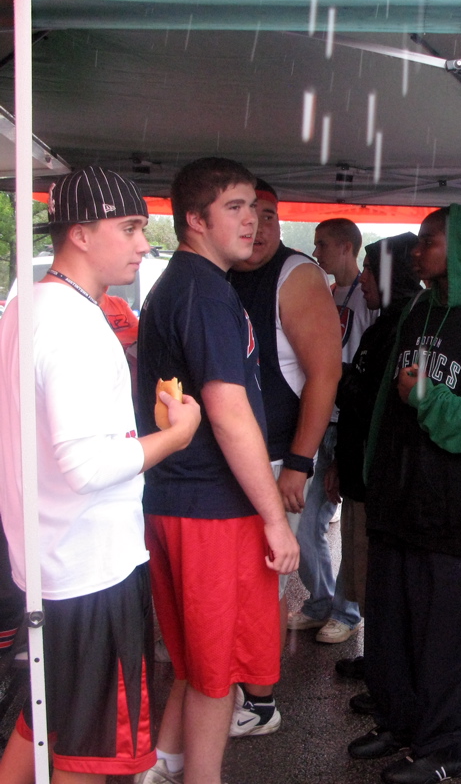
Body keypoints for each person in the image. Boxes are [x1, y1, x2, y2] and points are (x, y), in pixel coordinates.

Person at [0, 166, 201, 784]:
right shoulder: (73, 326)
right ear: (81, 234)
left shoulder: (26, 304)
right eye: (131, 227)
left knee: (43, 723)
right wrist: (175, 435)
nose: (144, 244)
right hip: (90, 573)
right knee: (89, 755)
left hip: (47, 562)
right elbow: (86, 466)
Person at [348, 205, 461, 784]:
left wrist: (428, 398)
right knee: (392, 624)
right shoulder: (419, 309)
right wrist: (372, 472)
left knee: (447, 636)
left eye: (430, 241)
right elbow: (383, 405)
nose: (418, 250)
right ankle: (400, 725)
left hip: (458, 512)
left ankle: (449, 747)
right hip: (400, 503)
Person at [135, 158, 299, 784]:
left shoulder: (185, 285)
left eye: (255, 207)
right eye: (234, 207)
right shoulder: (202, 291)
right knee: (216, 674)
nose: (252, 219)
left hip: (181, 500)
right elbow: (229, 416)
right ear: (195, 220)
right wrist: (274, 520)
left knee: (194, 663)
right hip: (211, 509)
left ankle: (164, 769)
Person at [228, 179, 341, 735]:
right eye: (248, 212)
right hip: (234, 456)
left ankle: (261, 700)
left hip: (275, 458)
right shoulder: (224, 270)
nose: (259, 224)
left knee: (260, 581)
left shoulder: (295, 275)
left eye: (269, 214)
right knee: (238, 582)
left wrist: (300, 462)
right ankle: (238, 685)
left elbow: (326, 373)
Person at [326, 232, 421, 685]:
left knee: (375, 577)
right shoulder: (388, 323)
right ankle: (379, 660)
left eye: (370, 269)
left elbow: (375, 402)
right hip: (362, 471)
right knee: (366, 574)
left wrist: (333, 375)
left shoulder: (404, 326)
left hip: (377, 476)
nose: (362, 279)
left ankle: (384, 669)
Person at [287, 218, 377, 644]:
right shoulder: (325, 294)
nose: (316, 252)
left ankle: (346, 609)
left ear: (346, 247)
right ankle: (321, 601)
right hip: (320, 415)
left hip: (345, 423)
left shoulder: (367, 298)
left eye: (322, 244)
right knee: (306, 522)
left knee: (341, 523)